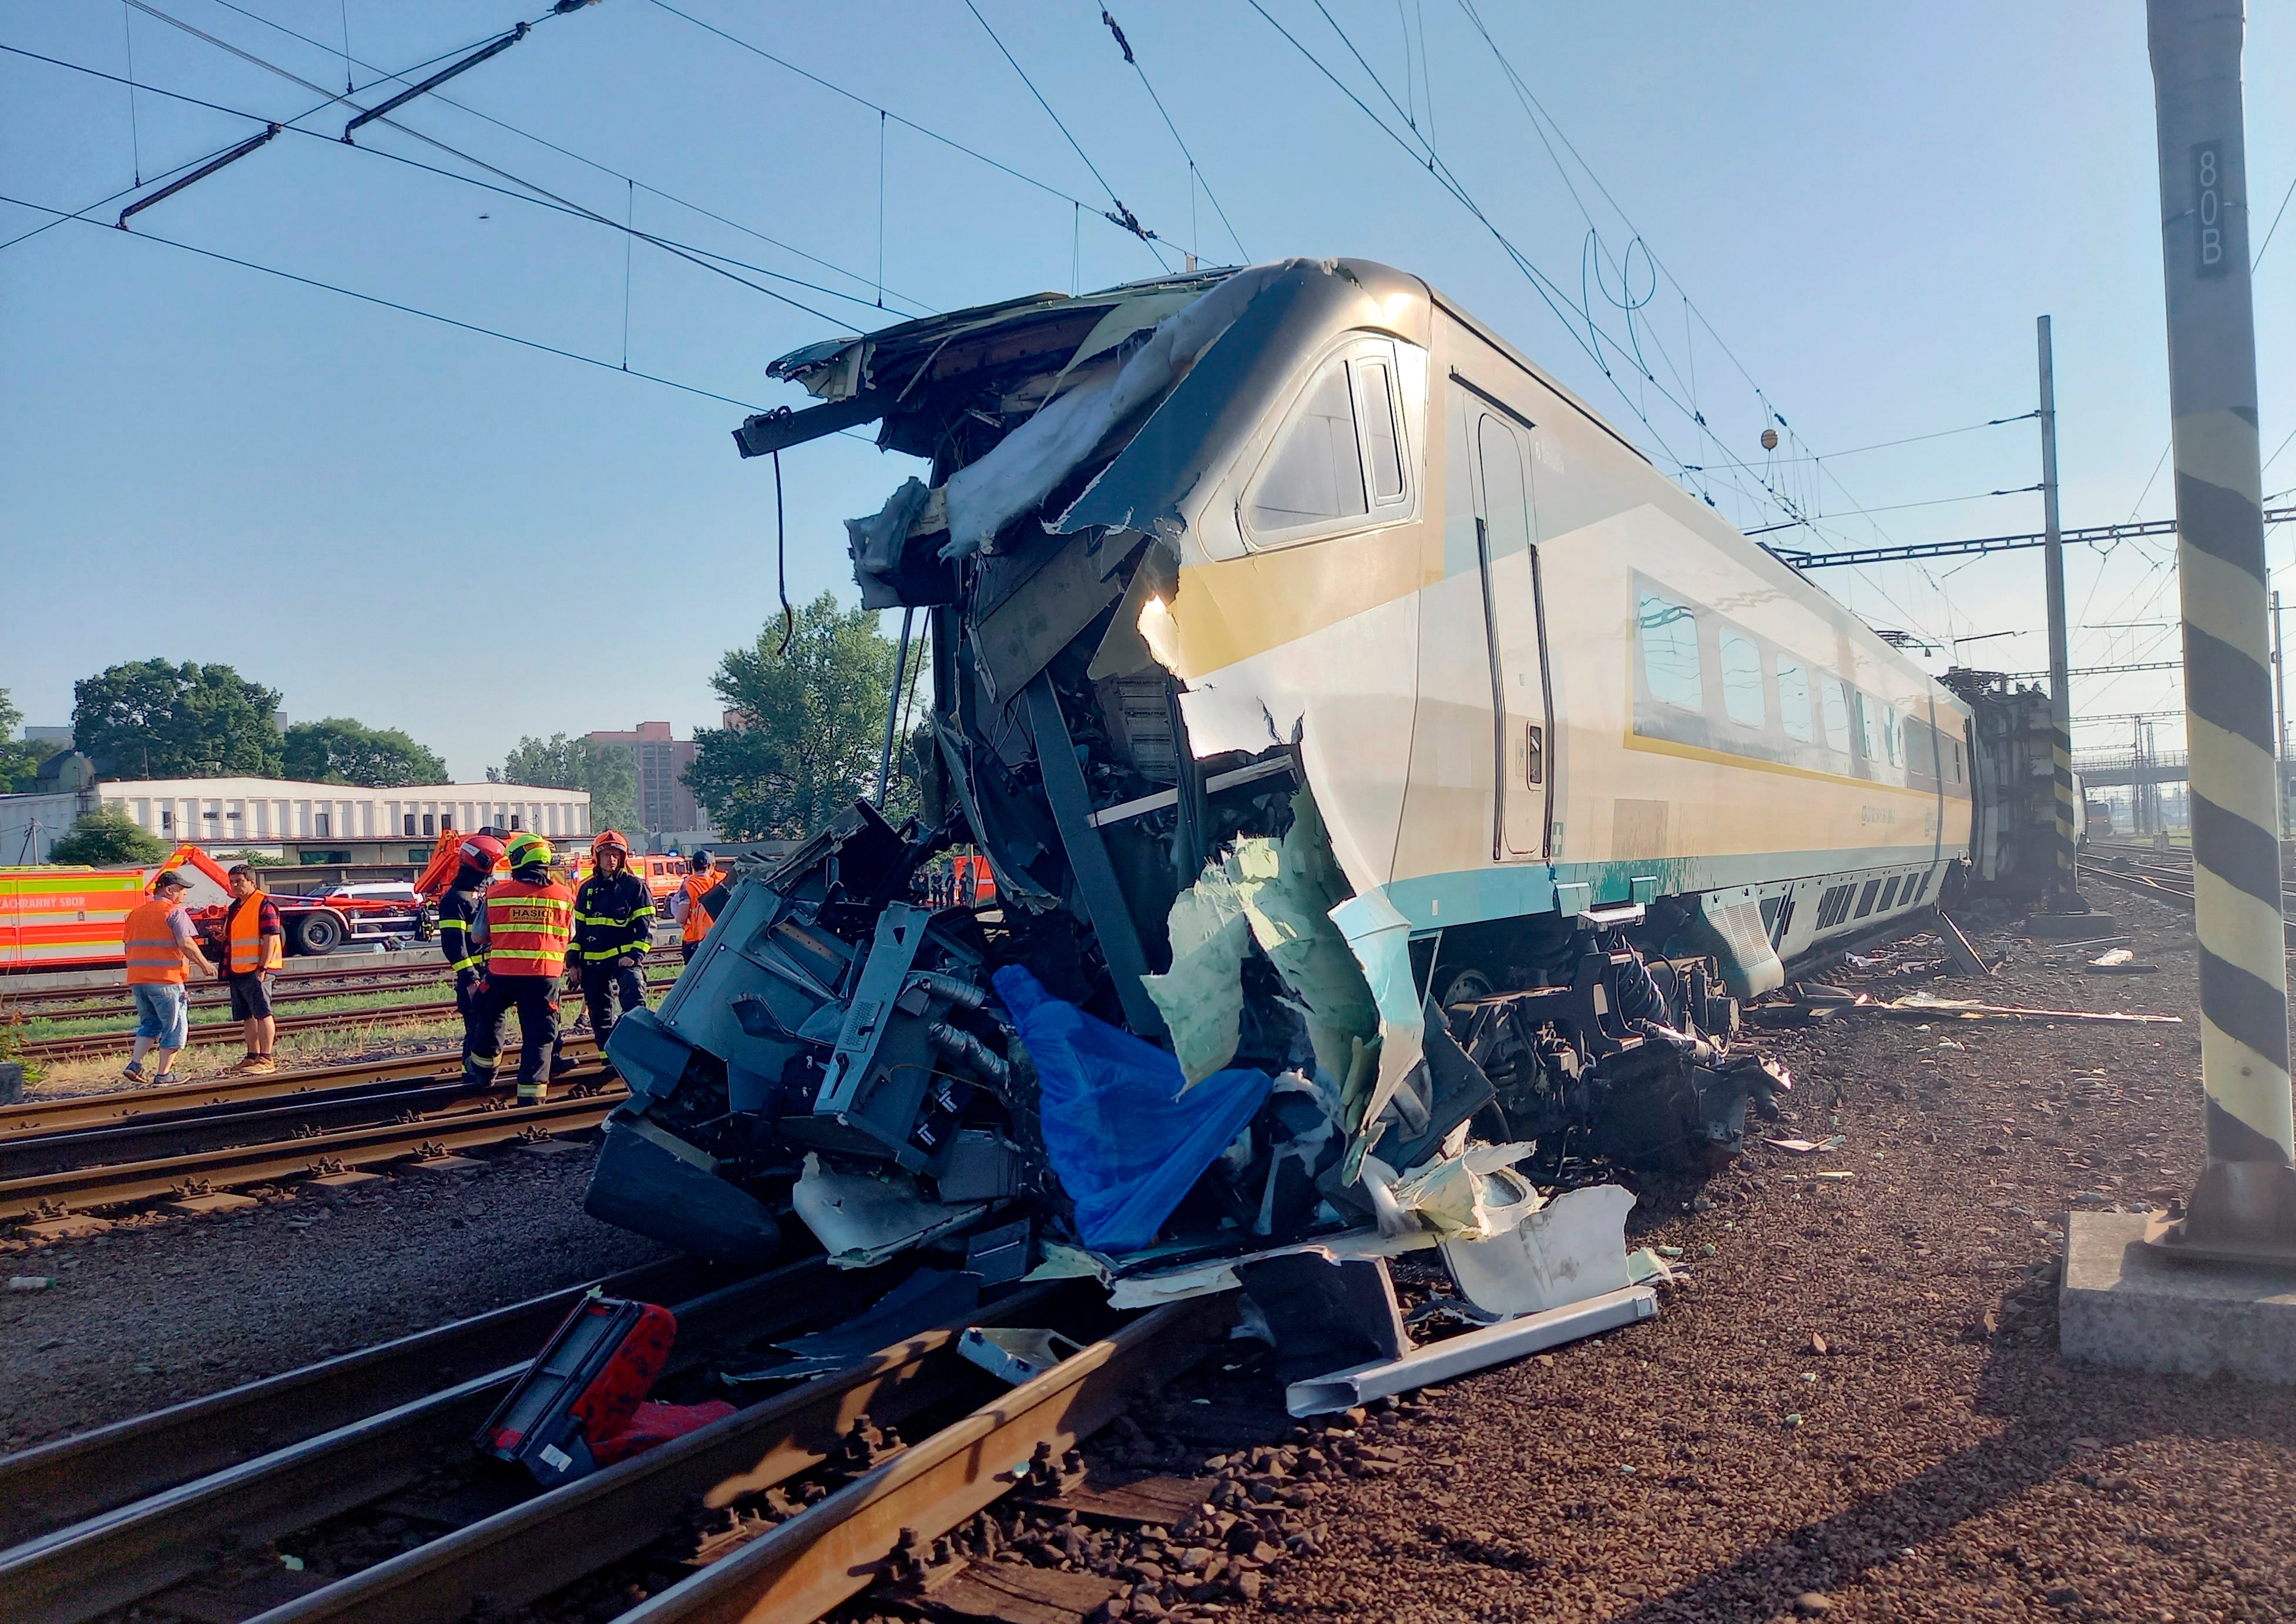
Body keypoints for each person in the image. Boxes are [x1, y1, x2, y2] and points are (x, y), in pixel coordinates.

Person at [468, 831, 575, 1103]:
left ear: (517, 860)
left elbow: (478, 937)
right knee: (540, 1034)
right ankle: (531, 1098)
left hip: (502, 975)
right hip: (544, 977)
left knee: (487, 1011)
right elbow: (571, 934)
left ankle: (483, 1071)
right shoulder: (564, 895)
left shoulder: (496, 894)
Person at [120, 869, 209, 1085]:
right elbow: (186, 943)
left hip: (138, 979)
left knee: (149, 1024)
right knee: (175, 1027)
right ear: (169, 890)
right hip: (166, 979)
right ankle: (164, 1075)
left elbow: (127, 945)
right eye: (182, 890)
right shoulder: (174, 913)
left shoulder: (135, 914)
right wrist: (205, 964)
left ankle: (135, 1064)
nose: (184, 895)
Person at [571, 829, 654, 1049]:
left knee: (635, 1003)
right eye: (607, 854)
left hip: (623, 960)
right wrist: (574, 963)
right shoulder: (587, 889)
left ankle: (638, 1052)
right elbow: (578, 931)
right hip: (593, 963)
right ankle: (607, 1059)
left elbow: (646, 926)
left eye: (616, 854)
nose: (612, 859)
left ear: (623, 857)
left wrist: (635, 956)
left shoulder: (635, 887)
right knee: (600, 1015)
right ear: (597, 857)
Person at [439, 833, 507, 1081]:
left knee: (495, 1028)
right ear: (482, 863)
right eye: (494, 865)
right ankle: (473, 1078)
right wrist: (469, 979)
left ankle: (484, 1075)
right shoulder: (454, 900)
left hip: (496, 974)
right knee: (478, 1029)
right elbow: (453, 945)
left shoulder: (491, 891)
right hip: (475, 978)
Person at [219, 865, 285, 1073]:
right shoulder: (236, 907)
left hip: (257, 969)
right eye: (232, 882)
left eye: (239, 881)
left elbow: (271, 938)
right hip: (238, 968)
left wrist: (263, 967)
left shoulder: (263, 904)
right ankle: (252, 1056)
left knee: (263, 1013)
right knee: (247, 1015)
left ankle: (266, 1058)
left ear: (252, 882)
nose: (235, 886)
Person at [670, 850, 719, 964]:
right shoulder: (717, 884)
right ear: (710, 866)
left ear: (692, 865)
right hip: (715, 938)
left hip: (693, 941)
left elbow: (682, 918)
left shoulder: (688, 887)